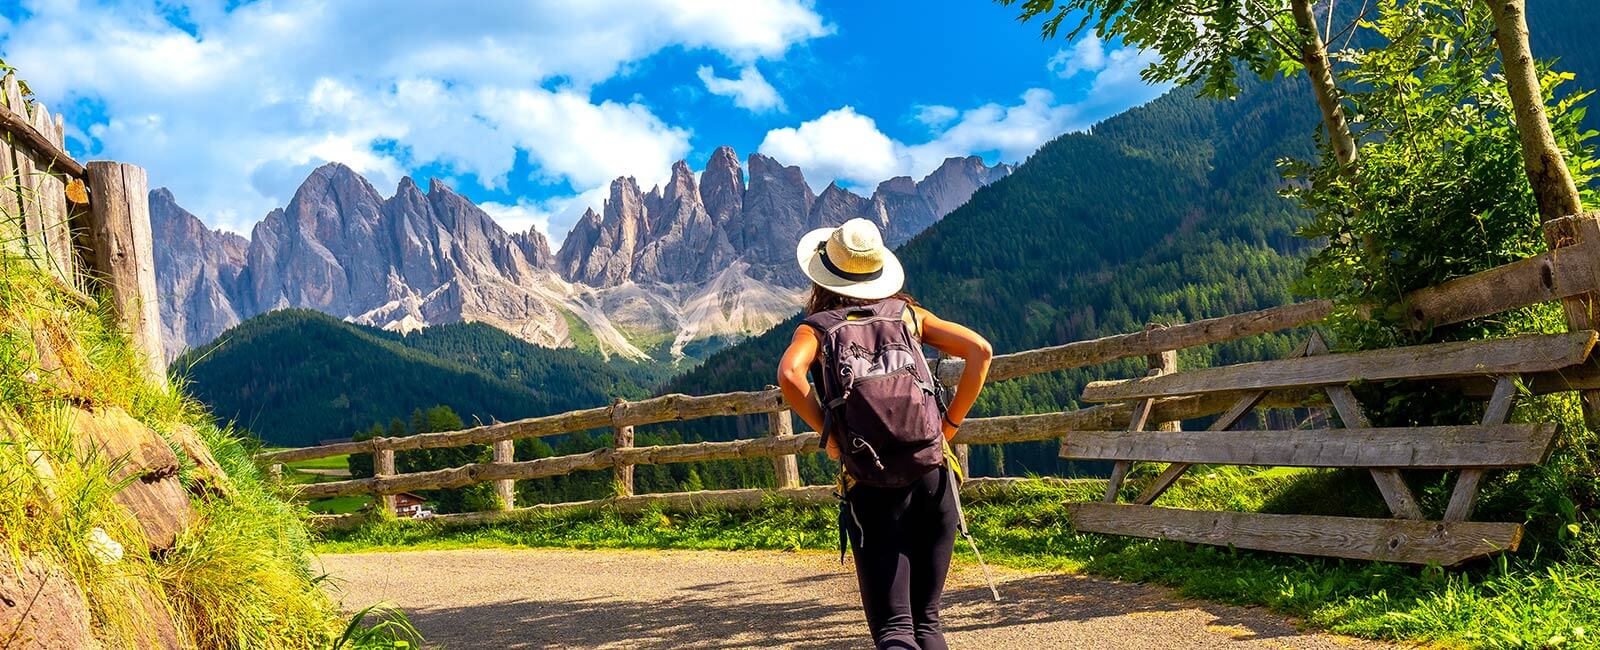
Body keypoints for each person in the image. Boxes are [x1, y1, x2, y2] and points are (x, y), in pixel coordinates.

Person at [777, 218, 993, 650]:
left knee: (895, 629)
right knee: (927, 622)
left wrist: (829, 432)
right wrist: (947, 426)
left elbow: (789, 374)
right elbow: (980, 350)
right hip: (933, 477)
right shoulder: (908, 315)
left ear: (824, 273)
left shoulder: (819, 327)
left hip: (871, 483)